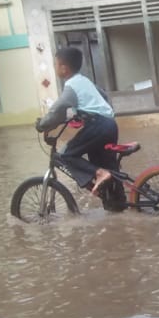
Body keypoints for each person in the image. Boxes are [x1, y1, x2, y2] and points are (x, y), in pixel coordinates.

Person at [35, 47, 122, 207]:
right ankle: (118, 205)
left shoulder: (71, 87)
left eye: (55, 64)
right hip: (109, 124)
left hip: (98, 126)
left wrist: (42, 124)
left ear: (63, 68)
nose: (54, 67)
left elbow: (58, 110)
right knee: (110, 169)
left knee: (66, 156)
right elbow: (102, 96)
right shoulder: (84, 81)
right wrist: (81, 113)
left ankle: (100, 174)